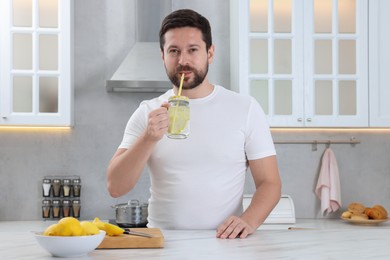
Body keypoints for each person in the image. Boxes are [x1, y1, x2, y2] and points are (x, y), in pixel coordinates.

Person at [107, 9, 281, 239]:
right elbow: (115, 187)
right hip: (163, 245)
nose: (183, 61)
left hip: (226, 245)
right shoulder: (147, 112)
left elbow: (270, 183)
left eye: (192, 50)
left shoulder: (245, 109)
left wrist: (248, 221)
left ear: (210, 53)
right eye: (174, 51)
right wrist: (149, 138)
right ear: (163, 56)